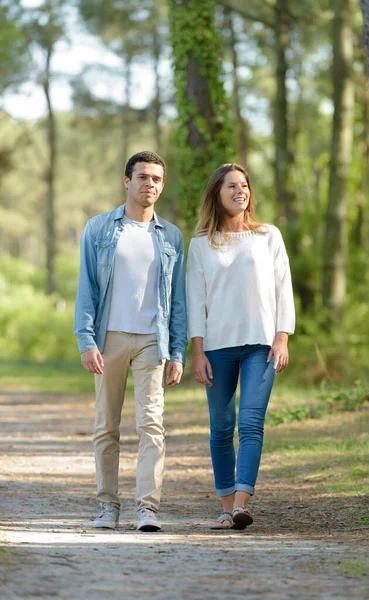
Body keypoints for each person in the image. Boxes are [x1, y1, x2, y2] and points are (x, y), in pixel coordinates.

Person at [74, 151, 187, 532]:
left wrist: (178, 350)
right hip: (110, 338)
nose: (149, 184)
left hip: (153, 341)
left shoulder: (171, 236)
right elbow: (86, 289)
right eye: (142, 177)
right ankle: (108, 507)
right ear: (127, 181)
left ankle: (147, 509)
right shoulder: (100, 229)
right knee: (106, 426)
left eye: (156, 179)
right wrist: (86, 339)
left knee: (151, 425)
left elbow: (180, 299)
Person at [187, 163, 295, 530]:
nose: (240, 191)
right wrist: (197, 351)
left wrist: (282, 336)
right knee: (220, 428)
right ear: (217, 193)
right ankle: (224, 505)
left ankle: (241, 505)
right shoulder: (201, 243)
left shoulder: (268, 236)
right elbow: (195, 300)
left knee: (251, 423)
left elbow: (284, 288)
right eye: (231, 186)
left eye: (245, 185)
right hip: (216, 347)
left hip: (260, 346)